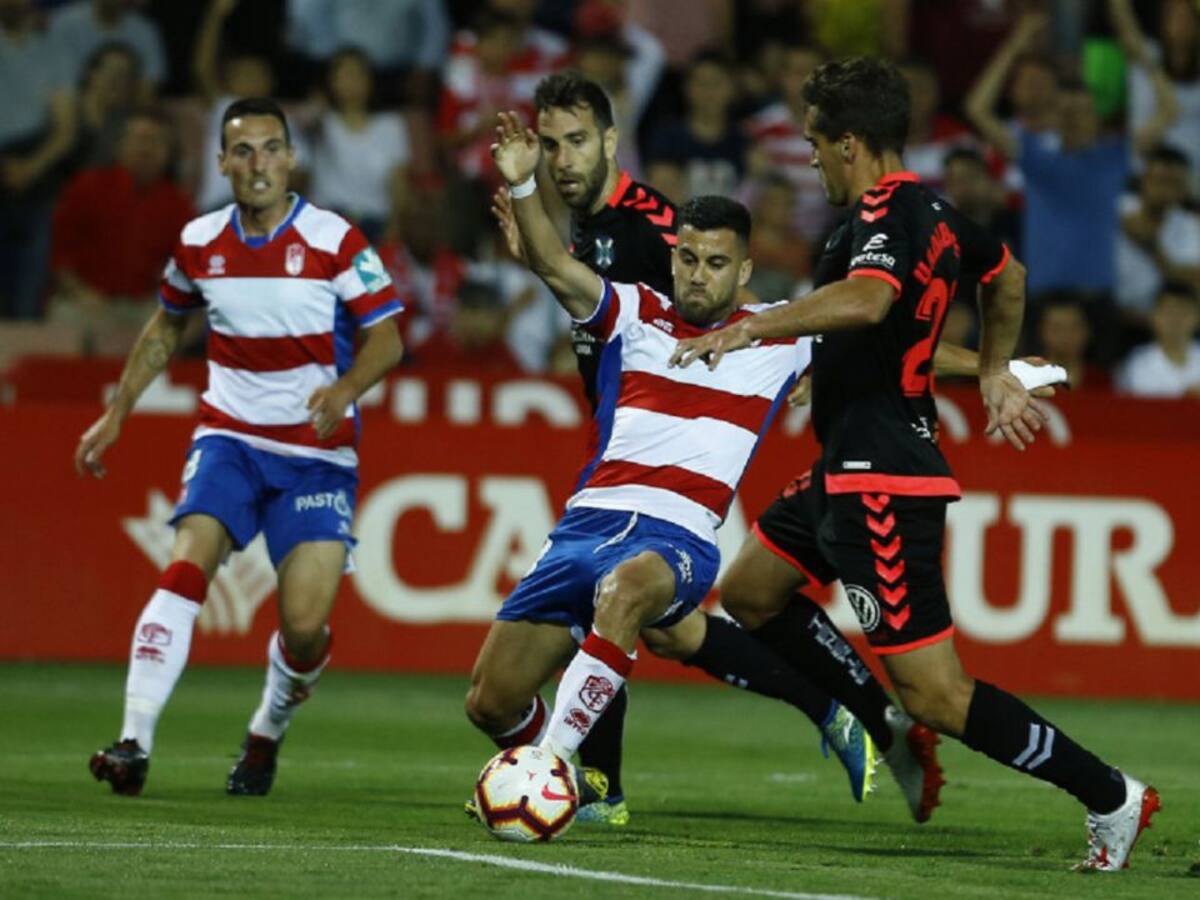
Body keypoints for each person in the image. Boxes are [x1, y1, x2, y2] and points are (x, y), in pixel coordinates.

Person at [671, 56, 1159, 872]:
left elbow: (868, 301)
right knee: (753, 591)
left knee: (940, 693)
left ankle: (1112, 796)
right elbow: (1008, 280)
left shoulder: (883, 217)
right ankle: (879, 723)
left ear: (851, 142)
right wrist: (998, 369)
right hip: (845, 467)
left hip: (883, 481)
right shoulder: (936, 213)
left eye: (817, 143)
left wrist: (753, 329)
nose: (813, 157)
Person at [487, 73, 881, 826]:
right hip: (611, 466)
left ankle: (573, 781)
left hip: (663, 486)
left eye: (576, 142)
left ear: (610, 140)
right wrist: (530, 202)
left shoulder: (688, 255)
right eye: (550, 145)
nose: (562, 159)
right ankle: (819, 707)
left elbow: (869, 345)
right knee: (647, 638)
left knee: (629, 600)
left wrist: (998, 369)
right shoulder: (614, 269)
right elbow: (558, 271)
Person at [80, 97, 404, 797]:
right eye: (243, 151)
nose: (257, 165)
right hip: (229, 438)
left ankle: (266, 731)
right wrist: (117, 413)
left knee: (306, 628)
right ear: (222, 162)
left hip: (316, 456)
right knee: (187, 561)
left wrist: (346, 389)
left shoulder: (334, 239)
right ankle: (134, 740)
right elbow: (167, 327)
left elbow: (388, 338)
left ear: (291, 159)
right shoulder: (199, 242)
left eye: (269, 149)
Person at [49, 109, 196, 355]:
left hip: (142, 305)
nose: (146, 149)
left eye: (156, 141)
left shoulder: (179, 204)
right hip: (86, 300)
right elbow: (60, 252)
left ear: (168, 153)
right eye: (139, 139)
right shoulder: (87, 187)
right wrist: (80, 292)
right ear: (120, 146)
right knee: (65, 319)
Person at [1116, 282, 1200, 397]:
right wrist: (1185, 399)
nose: (1176, 320)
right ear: (1153, 316)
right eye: (1169, 312)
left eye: (1184, 312)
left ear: (1197, 317)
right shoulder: (1137, 365)